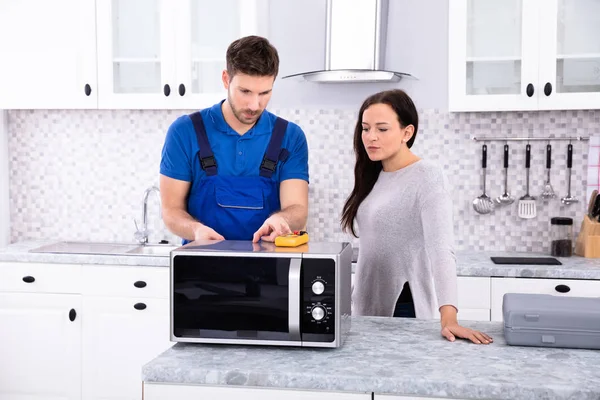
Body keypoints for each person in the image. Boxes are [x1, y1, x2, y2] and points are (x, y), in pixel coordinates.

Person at [341, 89, 492, 344]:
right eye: (365, 128)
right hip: (364, 302)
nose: (371, 137)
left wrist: (449, 318)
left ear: (407, 132)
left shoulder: (427, 177)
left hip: (403, 305)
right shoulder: (373, 174)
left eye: (382, 129)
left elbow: (442, 250)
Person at [159, 36, 309, 244]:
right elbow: (171, 211)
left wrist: (282, 219)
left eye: (264, 93)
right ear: (225, 79)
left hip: (269, 270)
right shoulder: (185, 132)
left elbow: (298, 210)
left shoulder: (290, 136)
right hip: (200, 268)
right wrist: (195, 230)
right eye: (245, 91)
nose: (254, 105)